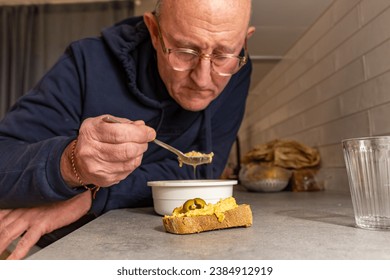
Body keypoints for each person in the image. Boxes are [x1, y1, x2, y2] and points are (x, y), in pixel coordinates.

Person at [0, 0, 255, 259]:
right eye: (185, 51)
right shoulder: (86, 62)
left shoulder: (237, 71)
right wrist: (71, 162)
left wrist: (90, 198)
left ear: (244, 43)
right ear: (154, 32)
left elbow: (204, 172)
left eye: (222, 55)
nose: (202, 79)